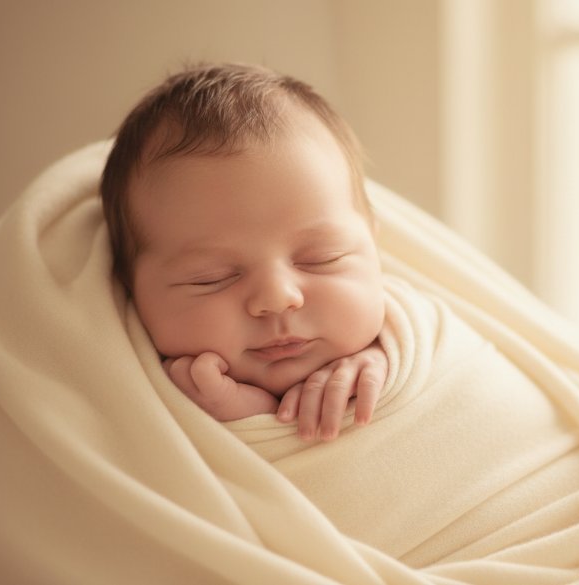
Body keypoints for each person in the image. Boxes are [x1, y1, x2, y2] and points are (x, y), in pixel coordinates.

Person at [100, 63, 388, 442]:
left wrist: (385, 359)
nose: (278, 298)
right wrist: (246, 417)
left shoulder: (408, 342)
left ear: (374, 243)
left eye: (323, 257)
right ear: (130, 288)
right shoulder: (120, 402)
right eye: (211, 278)